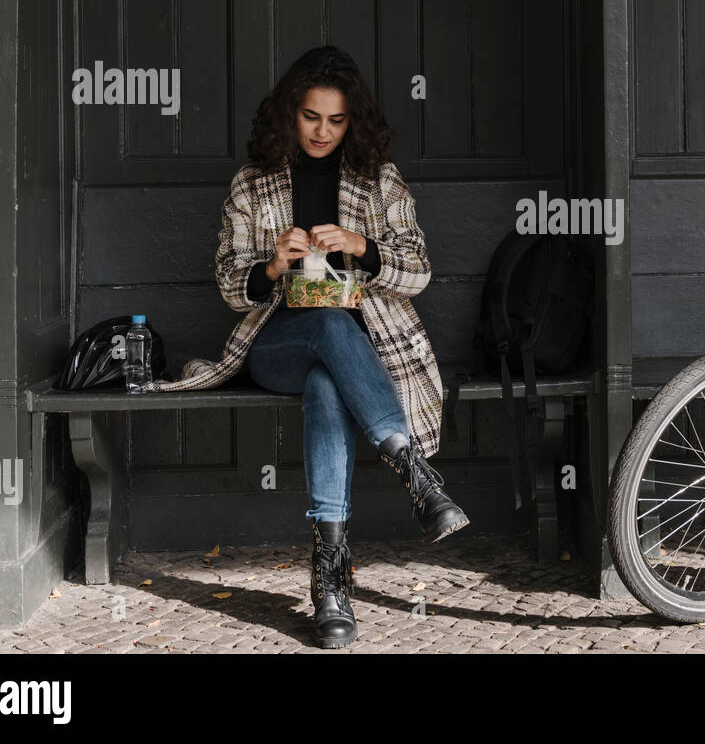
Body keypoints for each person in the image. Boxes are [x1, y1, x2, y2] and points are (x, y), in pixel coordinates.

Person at [147, 45, 467, 649]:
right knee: (321, 325)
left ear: (354, 121)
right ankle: (413, 471)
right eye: (311, 117)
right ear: (290, 114)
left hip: (363, 356)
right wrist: (271, 265)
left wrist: (363, 246)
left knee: (328, 380)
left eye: (337, 120)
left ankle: (330, 579)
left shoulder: (379, 182)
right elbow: (229, 288)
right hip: (276, 347)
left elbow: (419, 271)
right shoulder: (253, 185)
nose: (323, 131)